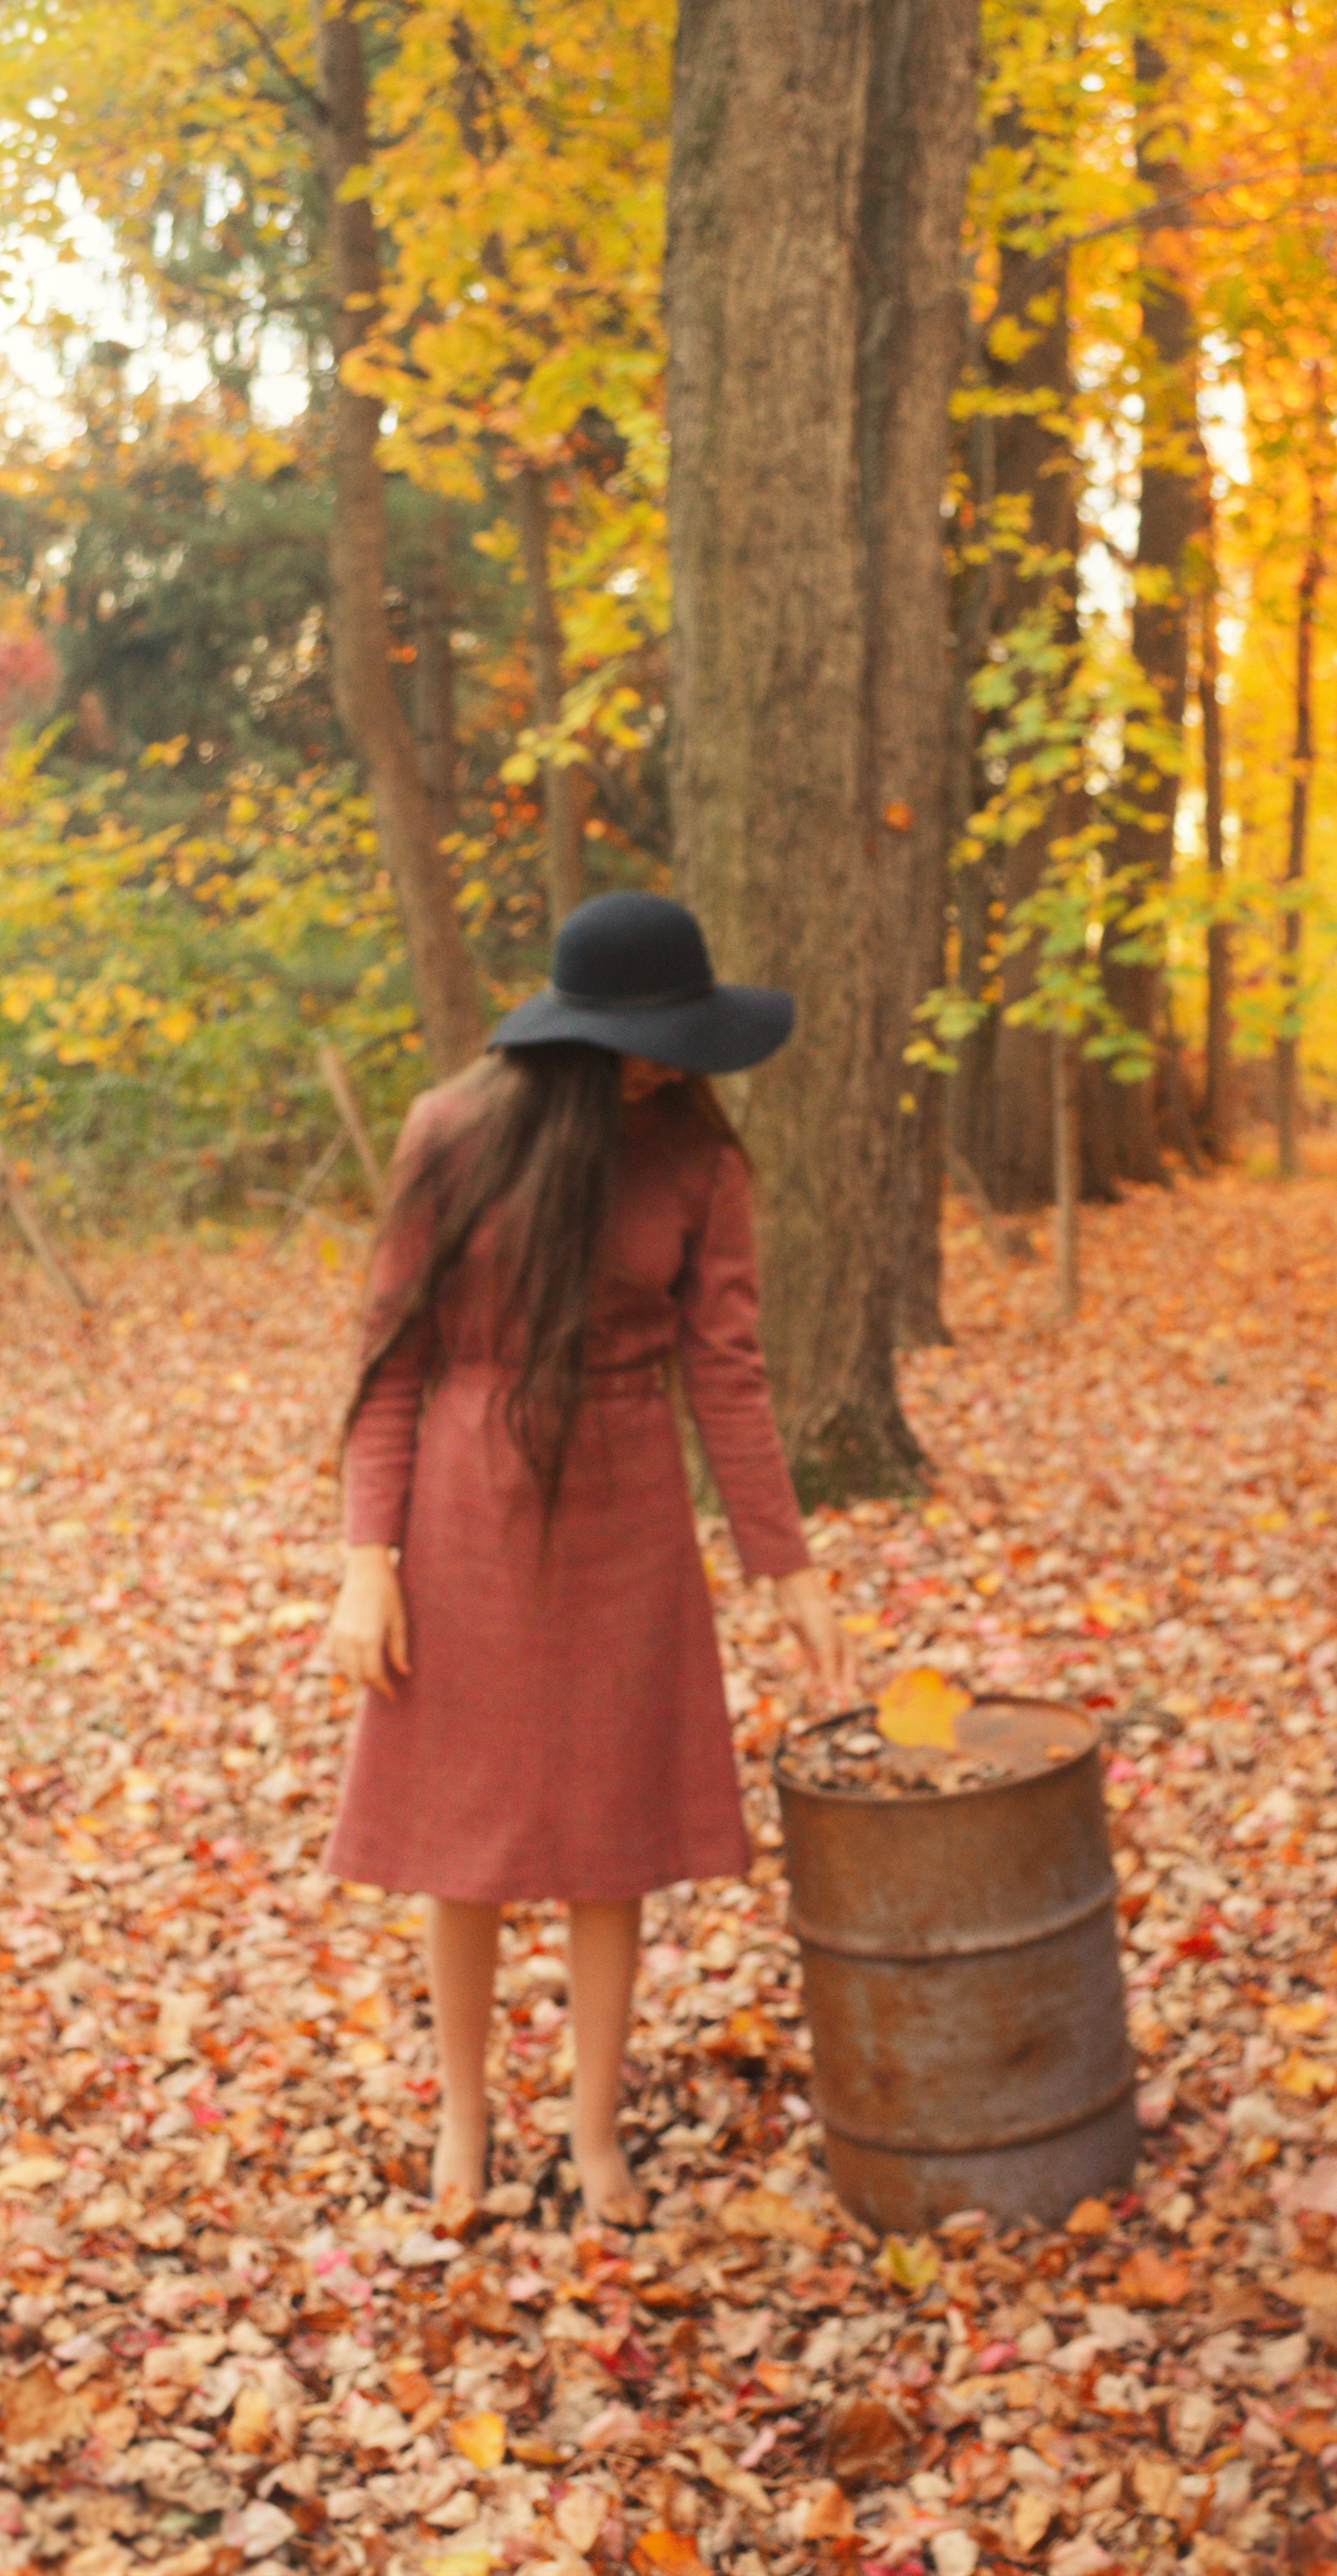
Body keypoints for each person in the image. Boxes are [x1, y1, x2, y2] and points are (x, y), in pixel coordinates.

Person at [321, 891, 850, 2224]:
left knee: (610, 1839)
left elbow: (725, 1377)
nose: (674, 1061)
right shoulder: (451, 1133)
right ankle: (463, 2117)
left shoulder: (700, 1163)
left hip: (626, 1508)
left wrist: (787, 1570)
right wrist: (363, 1558)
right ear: (578, 1035)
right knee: (466, 1840)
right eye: (653, 1036)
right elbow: (391, 1359)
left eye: (685, 1034)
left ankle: (595, 2125)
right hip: (462, 1504)